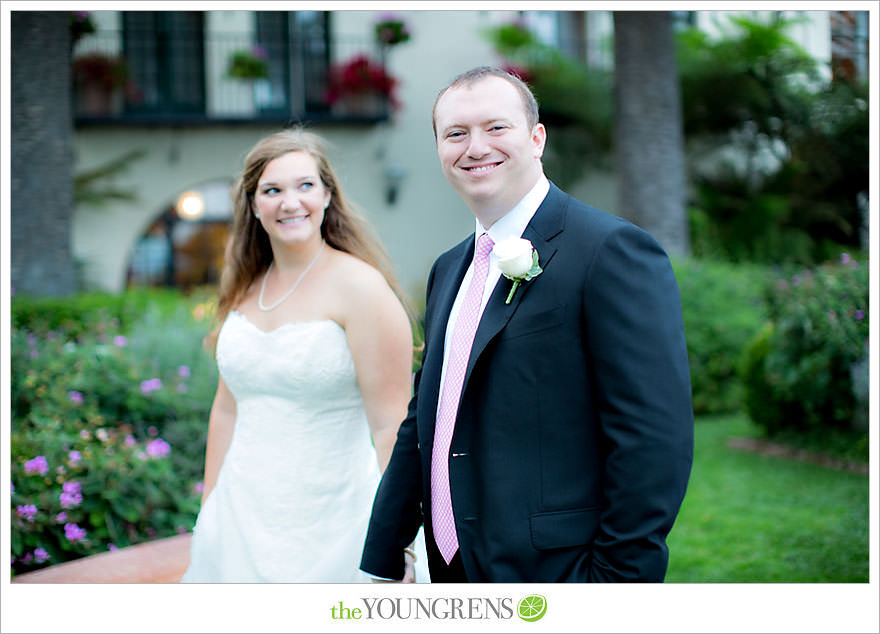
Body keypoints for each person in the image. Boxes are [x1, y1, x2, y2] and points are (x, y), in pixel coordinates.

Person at [360, 67, 694, 582]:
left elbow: (652, 436)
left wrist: (618, 580)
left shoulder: (610, 251)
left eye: (496, 128)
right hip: (453, 566)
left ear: (536, 138)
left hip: (558, 569)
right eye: (455, 133)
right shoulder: (450, 268)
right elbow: (430, 413)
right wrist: (384, 552)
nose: (475, 147)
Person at [181, 128, 427, 582]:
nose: (290, 202)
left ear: (328, 195)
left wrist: (402, 543)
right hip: (239, 522)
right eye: (272, 190)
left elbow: (391, 426)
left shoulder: (362, 288)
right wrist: (208, 513)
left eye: (305, 186)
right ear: (254, 205)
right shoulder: (244, 286)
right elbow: (227, 410)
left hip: (335, 527)